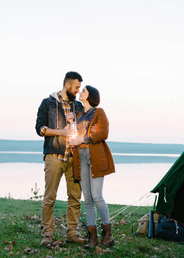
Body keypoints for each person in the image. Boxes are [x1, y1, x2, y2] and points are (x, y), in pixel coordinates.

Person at [35, 71, 85, 246]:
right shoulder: (48, 103)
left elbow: (84, 128)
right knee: (50, 198)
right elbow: (40, 128)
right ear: (68, 86)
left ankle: (72, 233)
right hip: (54, 156)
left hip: (74, 158)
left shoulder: (78, 106)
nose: (78, 91)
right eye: (77, 87)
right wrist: (61, 132)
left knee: (75, 198)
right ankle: (47, 234)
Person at [69, 85, 115, 249]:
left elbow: (103, 134)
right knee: (87, 199)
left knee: (97, 196)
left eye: (83, 91)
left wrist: (84, 139)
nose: (80, 92)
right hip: (81, 157)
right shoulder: (80, 116)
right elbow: (79, 134)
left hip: (96, 158)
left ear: (90, 95)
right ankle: (93, 238)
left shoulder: (99, 112)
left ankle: (108, 234)